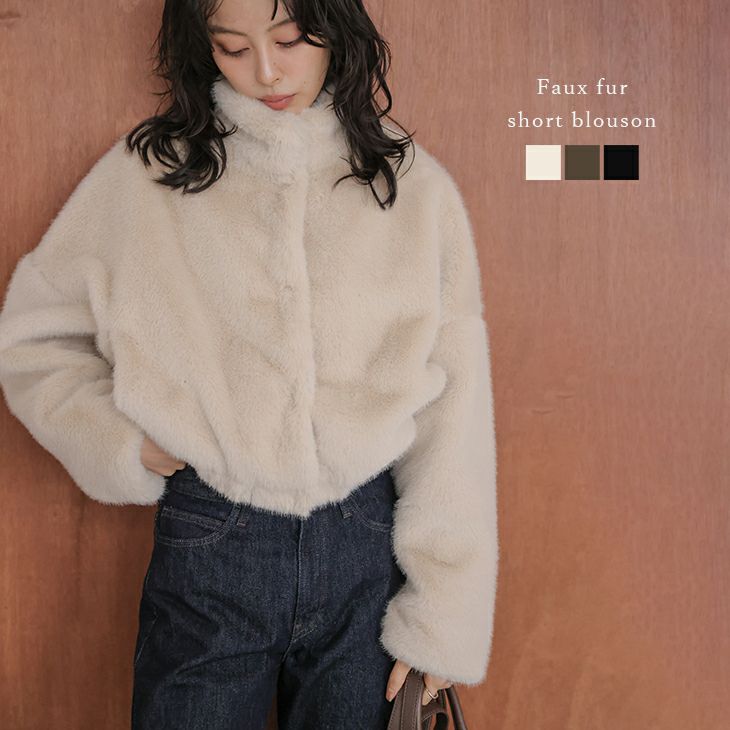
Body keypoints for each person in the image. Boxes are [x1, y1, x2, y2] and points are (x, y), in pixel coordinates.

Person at [0, 0, 499, 727]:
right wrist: (124, 443)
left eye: (289, 40)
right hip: (212, 537)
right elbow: (34, 338)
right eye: (232, 48)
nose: (266, 71)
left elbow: (454, 411)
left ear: (334, 32)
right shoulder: (151, 175)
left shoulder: (411, 189)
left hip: (366, 551)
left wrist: (442, 619)